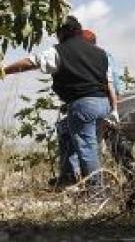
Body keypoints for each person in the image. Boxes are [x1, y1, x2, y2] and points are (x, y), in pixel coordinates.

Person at [0, 16, 117, 188]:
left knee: (87, 149)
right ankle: (68, 178)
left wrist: (4, 70)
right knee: (66, 131)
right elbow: (109, 84)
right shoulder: (101, 53)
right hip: (103, 104)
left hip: (83, 104)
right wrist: (114, 110)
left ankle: (96, 192)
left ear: (62, 32)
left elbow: (31, 62)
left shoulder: (59, 51)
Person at [81, 29, 135, 177]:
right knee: (112, 144)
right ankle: (132, 176)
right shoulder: (103, 55)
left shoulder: (98, 56)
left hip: (107, 103)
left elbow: (113, 84)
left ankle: (132, 177)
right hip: (108, 103)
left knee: (111, 143)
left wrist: (114, 107)